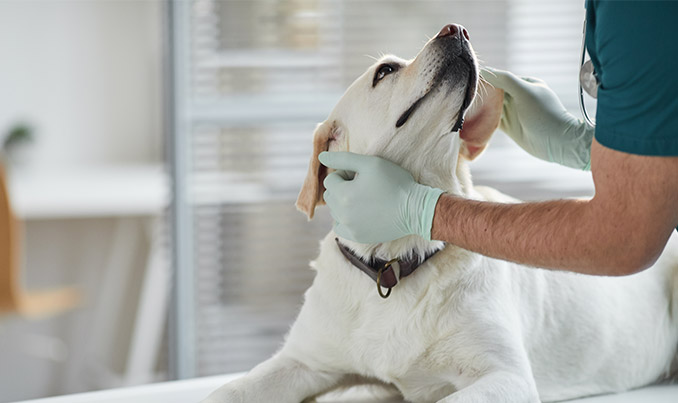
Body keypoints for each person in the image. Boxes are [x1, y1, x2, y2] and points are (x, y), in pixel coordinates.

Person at [318, 0, 678, 276]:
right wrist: (590, 146)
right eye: (387, 72)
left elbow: (624, 237)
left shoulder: (636, 12)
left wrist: (425, 211)